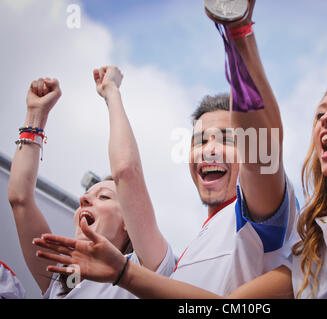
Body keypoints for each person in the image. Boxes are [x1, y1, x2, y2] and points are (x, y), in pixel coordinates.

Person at [34, 0, 327, 299]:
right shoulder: (312, 248)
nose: (324, 119)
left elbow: (264, 150)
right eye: (319, 112)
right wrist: (125, 272)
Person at [33, 0, 299, 297]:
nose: (209, 149)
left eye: (226, 139)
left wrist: (237, 33)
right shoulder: (182, 259)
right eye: (199, 141)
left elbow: (261, 149)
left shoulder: (261, 217)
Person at [8, 68, 174, 298]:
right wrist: (36, 115)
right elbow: (20, 198)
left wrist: (111, 92)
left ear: (130, 221)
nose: (83, 199)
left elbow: (126, 171)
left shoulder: (147, 269)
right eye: (87, 196)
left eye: (104, 197)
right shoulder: (62, 281)